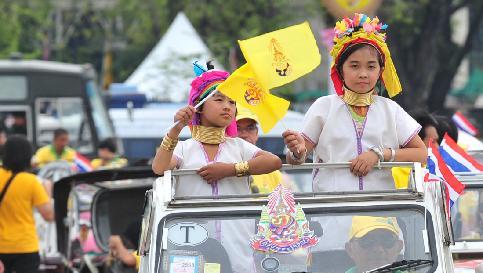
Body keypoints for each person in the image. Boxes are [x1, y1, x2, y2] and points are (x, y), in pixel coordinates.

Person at [283, 13, 427, 193]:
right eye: (354, 65)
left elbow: (422, 154)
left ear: (381, 70)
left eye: (371, 66)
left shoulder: (390, 109)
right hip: (332, 212)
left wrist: (379, 154)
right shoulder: (324, 107)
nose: (363, 73)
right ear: (340, 69)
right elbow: (295, 159)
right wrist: (297, 151)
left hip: (381, 211)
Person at [151, 62, 282, 198]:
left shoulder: (239, 145)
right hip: (194, 220)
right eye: (219, 99)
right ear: (199, 107)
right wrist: (175, 130)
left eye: (232, 102)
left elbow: (274, 161)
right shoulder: (183, 148)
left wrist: (229, 170)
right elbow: (159, 168)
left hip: (235, 220)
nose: (227, 107)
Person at [0, 136, 54, 273]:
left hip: (1, 248)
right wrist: (48, 191)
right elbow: (48, 215)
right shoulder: (32, 182)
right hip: (26, 246)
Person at [345, 215, 473, 273]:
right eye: (367, 242)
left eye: (386, 241)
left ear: (399, 247)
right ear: (350, 249)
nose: (378, 249)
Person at [234, 107, 286, 194]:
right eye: (237, 128)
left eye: (250, 128)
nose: (244, 134)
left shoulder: (272, 172)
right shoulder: (220, 168)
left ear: (256, 133)